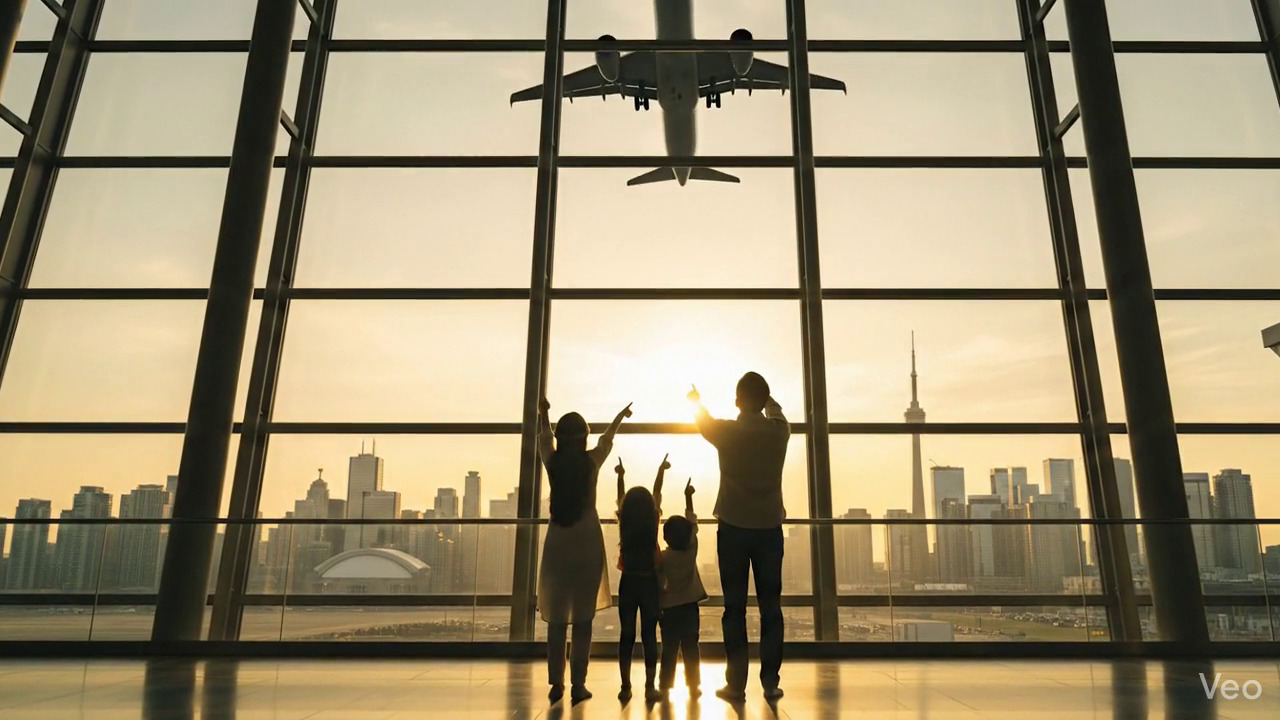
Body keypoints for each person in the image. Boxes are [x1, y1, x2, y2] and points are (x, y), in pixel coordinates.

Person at [688, 373, 789, 702]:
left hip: (733, 528)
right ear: (764, 401)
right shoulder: (778, 432)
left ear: (736, 402)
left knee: (735, 609)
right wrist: (768, 400)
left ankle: (736, 684)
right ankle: (770, 681)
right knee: (771, 609)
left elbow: (701, 420)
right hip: (769, 529)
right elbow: (776, 410)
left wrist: (696, 400)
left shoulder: (726, 432)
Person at [537, 398, 632, 705]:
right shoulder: (591, 463)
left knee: (557, 619)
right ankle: (579, 683)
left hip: (557, 544)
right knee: (582, 619)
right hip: (586, 543)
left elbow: (544, 438)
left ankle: (556, 683)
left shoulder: (552, 462)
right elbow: (608, 439)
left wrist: (544, 413)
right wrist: (618, 415)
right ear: (584, 438)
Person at [613, 454, 668, 703]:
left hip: (628, 582)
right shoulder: (653, 520)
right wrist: (660, 470)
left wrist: (621, 477)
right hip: (649, 583)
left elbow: (621, 499)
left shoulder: (625, 521)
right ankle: (649, 686)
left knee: (627, 635)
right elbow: (657, 493)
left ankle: (625, 686)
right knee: (649, 635)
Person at [657, 478, 708, 699]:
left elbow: (658, 583)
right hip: (690, 607)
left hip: (669, 609)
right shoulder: (691, 552)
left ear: (666, 537)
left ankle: (666, 685)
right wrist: (688, 496)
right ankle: (693, 685)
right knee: (690, 647)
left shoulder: (663, 558)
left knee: (669, 649)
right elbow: (693, 524)